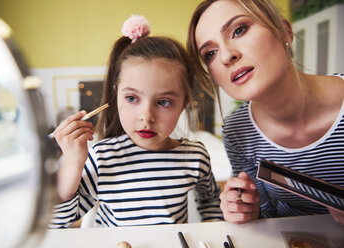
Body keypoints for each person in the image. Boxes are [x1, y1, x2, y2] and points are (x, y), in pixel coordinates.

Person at [49, 15, 222, 228]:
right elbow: (57, 224)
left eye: (163, 102)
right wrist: (73, 162)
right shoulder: (102, 157)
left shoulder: (196, 156)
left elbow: (210, 200)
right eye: (132, 99)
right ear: (116, 95)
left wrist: (215, 225)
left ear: (184, 103)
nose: (146, 116)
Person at [187, 0, 344, 225]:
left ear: (285, 33)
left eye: (239, 30)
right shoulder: (236, 130)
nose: (225, 56)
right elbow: (265, 215)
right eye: (210, 53)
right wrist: (248, 211)